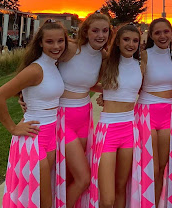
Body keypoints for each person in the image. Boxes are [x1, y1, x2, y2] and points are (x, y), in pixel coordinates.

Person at [0, 20, 67, 208]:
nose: (56, 46)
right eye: (50, 42)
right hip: (34, 139)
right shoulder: (35, 70)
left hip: (51, 135)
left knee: (44, 195)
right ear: (40, 42)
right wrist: (13, 128)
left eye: (60, 41)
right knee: (42, 200)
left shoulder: (54, 65)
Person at [57, 11, 112, 207]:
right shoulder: (70, 49)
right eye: (95, 30)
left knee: (71, 176)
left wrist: (107, 94)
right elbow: (40, 69)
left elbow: (86, 85)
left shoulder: (103, 56)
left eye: (105, 31)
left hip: (84, 117)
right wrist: (25, 96)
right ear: (85, 32)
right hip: (62, 119)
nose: (100, 35)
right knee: (83, 178)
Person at [91, 24, 143, 208]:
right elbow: (85, 83)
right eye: (126, 40)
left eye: (135, 40)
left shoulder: (141, 65)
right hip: (108, 130)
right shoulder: (107, 63)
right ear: (118, 42)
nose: (131, 44)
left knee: (122, 187)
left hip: (130, 128)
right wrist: (105, 93)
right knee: (107, 199)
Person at [136, 18, 172, 206]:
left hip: (168, 113)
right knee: (150, 168)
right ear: (151, 36)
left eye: (166, 32)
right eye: (157, 33)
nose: (162, 36)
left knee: (162, 166)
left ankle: (156, 203)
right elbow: (134, 83)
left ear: (171, 32)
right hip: (147, 112)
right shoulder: (145, 55)